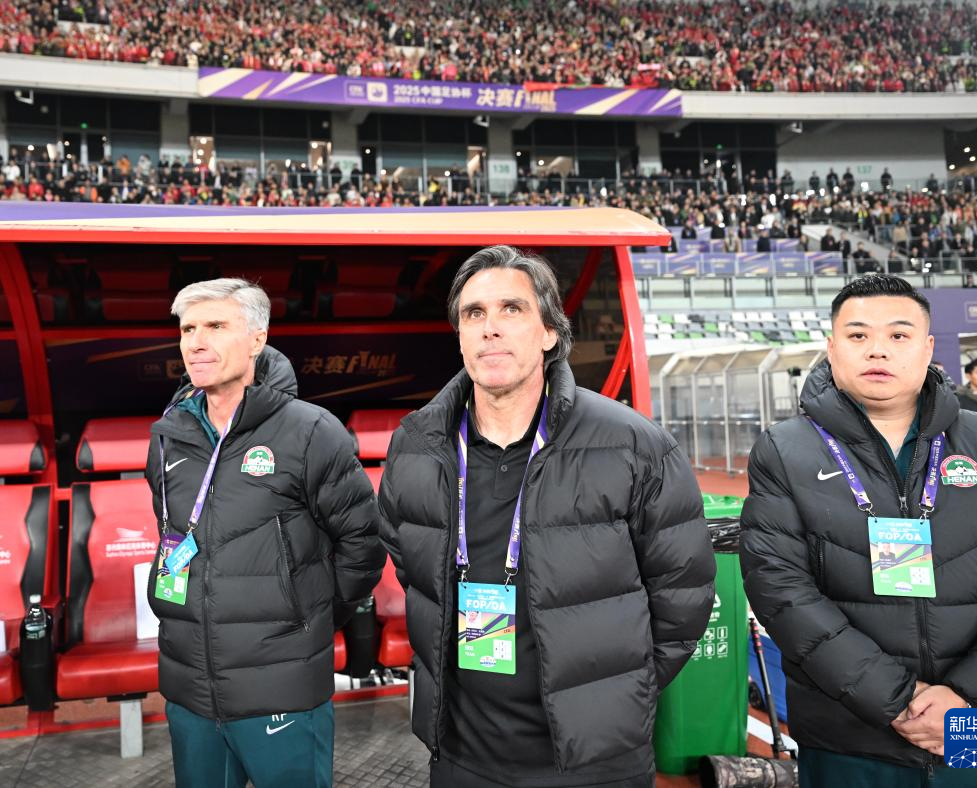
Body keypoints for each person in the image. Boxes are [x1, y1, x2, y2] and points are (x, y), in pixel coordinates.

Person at [378, 245, 716, 787]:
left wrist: (618, 695)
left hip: (593, 762)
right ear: (460, 336)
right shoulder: (417, 444)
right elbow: (408, 559)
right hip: (462, 756)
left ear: (550, 333)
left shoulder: (633, 444)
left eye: (512, 309)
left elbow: (684, 591)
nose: (490, 327)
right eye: (474, 313)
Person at [740, 275, 977, 785]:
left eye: (898, 334)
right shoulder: (785, 450)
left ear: (928, 348)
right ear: (832, 348)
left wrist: (968, 701)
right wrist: (899, 699)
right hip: (853, 731)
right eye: (857, 335)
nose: (878, 349)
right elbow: (780, 590)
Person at [146, 278, 385, 788]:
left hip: (281, 686)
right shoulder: (168, 435)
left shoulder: (311, 430)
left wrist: (307, 616)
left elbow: (363, 544)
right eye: (188, 329)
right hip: (189, 687)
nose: (196, 342)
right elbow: (170, 532)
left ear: (258, 339)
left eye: (216, 326)